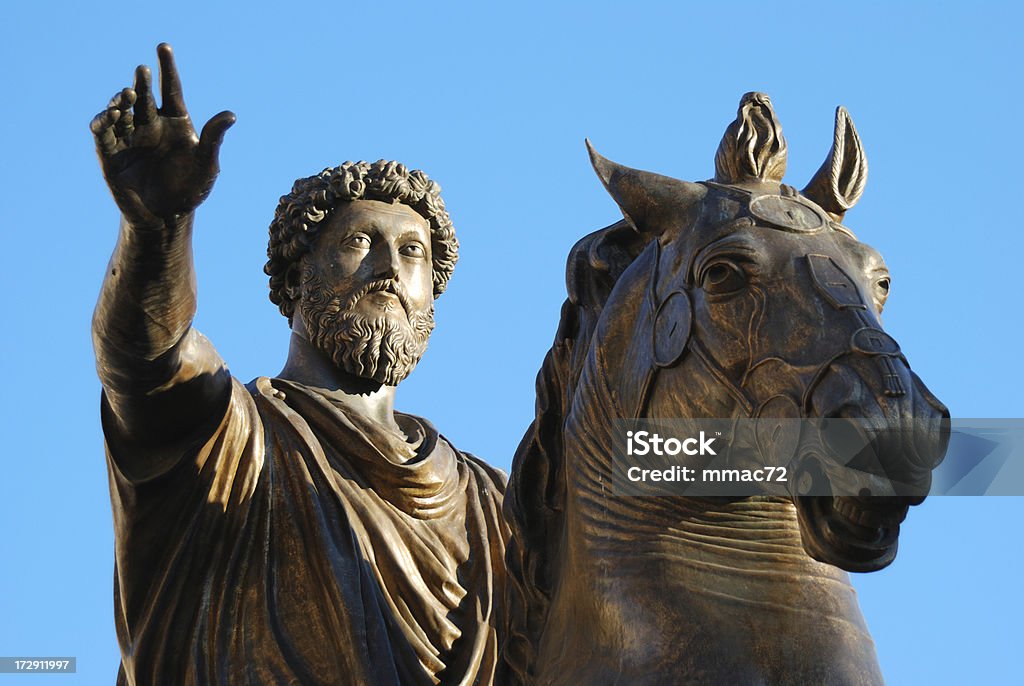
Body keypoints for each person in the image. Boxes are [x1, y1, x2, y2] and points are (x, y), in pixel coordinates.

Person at [90, 44, 508, 686]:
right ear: (296, 275)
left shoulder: (492, 500)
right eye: (359, 242)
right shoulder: (226, 432)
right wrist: (158, 234)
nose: (390, 269)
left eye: (413, 252)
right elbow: (145, 360)